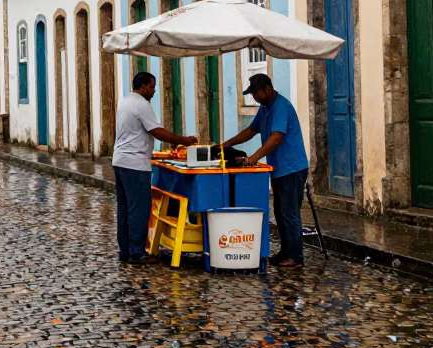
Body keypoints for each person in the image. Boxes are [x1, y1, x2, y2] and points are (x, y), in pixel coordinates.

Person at [218, 73, 309, 268]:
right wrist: (227, 144)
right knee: (280, 210)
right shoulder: (265, 109)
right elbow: (251, 131)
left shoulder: (281, 107)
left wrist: (253, 158)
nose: (254, 97)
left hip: (291, 168)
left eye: (255, 93)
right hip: (278, 168)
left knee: (289, 212)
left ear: (267, 89)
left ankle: (296, 256)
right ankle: (286, 252)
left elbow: (276, 138)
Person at [113, 71, 198, 265]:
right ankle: (137, 252)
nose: (154, 90)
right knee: (139, 208)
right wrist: (184, 140)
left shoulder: (124, 102)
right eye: (152, 86)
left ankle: (124, 250)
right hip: (135, 163)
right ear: (143, 86)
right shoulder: (142, 105)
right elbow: (157, 132)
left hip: (120, 160)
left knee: (125, 208)